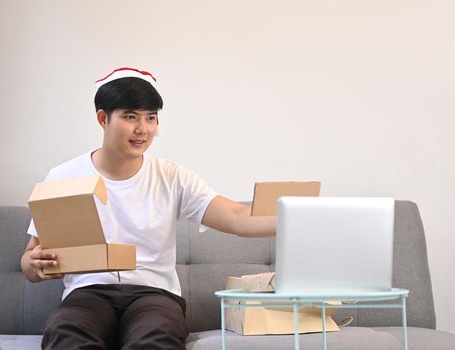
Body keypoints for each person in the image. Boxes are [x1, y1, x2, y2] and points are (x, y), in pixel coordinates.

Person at [21, 67, 277, 350]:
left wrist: (296, 217)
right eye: (131, 117)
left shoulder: (171, 175)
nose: (142, 129)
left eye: (150, 118)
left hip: (154, 294)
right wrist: (34, 265)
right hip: (88, 293)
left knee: (155, 338)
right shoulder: (64, 176)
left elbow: (236, 216)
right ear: (103, 119)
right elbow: (31, 260)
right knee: (66, 333)